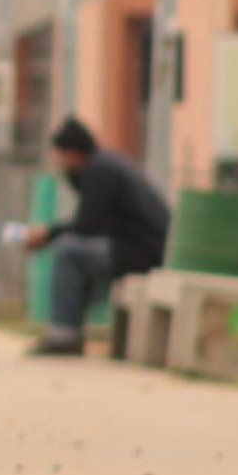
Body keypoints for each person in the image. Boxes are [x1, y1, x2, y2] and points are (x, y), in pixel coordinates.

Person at [22, 116, 169, 357]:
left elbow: (87, 224)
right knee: (78, 253)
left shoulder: (100, 171)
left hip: (142, 250)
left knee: (69, 252)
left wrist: (48, 234)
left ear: (72, 153)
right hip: (137, 246)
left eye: (60, 156)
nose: (58, 164)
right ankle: (71, 329)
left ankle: (64, 333)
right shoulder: (104, 166)